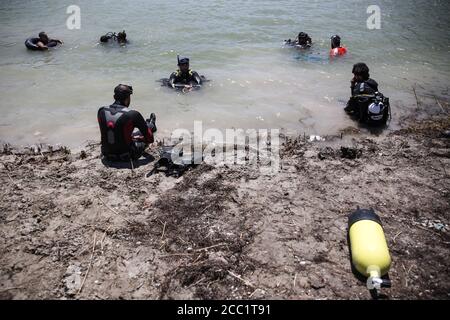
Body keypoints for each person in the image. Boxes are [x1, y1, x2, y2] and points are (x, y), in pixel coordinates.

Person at [97, 84, 157, 161]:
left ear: (114, 97)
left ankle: (149, 124)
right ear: (128, 98)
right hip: (126, 155)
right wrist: (138, 139)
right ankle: (151, 124)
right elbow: (150, 139)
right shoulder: (133, 114)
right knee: (146, 130)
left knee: (131, 132)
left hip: (106, 154)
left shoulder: (101, 111)